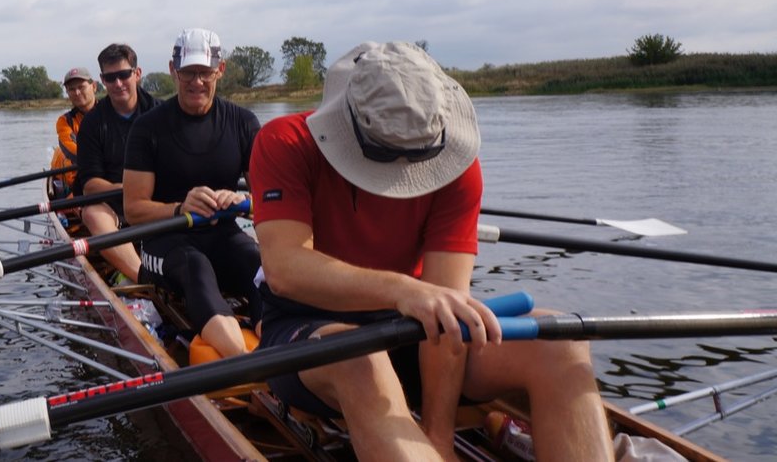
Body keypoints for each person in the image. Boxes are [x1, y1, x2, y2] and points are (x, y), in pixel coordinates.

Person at [251, 41, 614, 462]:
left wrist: (439, 434)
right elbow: (285, 269)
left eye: (416, 159)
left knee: (561, 341)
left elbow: (446, 314)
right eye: (387, 155)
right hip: (308, 332)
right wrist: (403, 290)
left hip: (417, 331)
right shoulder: (285, 142)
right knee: (362, 360)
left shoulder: (457, 167)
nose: (404, 174)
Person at [122, 28, 262, 359]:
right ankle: (245, 363)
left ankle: (278, 348)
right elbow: (133, 210)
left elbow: (269, 200)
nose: (196, 81)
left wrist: (243, 201)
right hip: (164, 242)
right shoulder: (147, 128)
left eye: (204, 72)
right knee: (195, 265)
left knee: (258, 263)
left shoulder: (243, 122)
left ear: (220, 70)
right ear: (173, 70)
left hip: (223, 235)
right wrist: (179, 208)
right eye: (188, 72)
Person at [74, 43, 155, 283]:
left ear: (137, 74)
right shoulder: (92, 123)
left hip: (156, 200)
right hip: (113, 205)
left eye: (124, 75)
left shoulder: (161, 112)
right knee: (92, 213)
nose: (118, 83)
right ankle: (144, 278)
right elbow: (90, 185)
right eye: (110, 78)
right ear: (102, 81)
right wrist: (127, 189)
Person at [48, 67, 97, 201]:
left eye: (81, 87)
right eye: (71, 89)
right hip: (77, 180)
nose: (77, 92)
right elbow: (73, 152)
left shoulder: (110, 113)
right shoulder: (64, 121)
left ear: (94, 86)